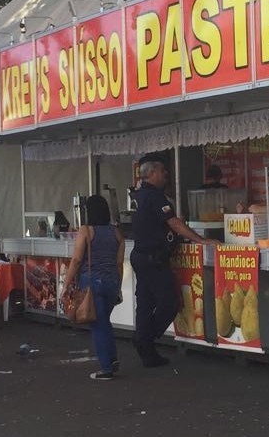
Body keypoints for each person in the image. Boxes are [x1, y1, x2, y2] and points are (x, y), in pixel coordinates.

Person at [130, 153, 216, 368]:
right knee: (170, 303)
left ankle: (147, 350)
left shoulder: (139, 195)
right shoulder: (154, 196)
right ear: (152, 173)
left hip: (141, 256)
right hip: (154, 260)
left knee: (145, 304)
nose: (165, 174)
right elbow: (174, 223)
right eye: (162, 170)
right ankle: (145, 339)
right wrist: (200, 240)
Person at [64, 195, 125, 380]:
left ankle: (106, 368)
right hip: (112, 283)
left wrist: (66, 284)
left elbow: (76, 260)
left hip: (92, 283)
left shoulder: (86, 230)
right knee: (104, 322)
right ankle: (112, 358)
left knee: (98, 326)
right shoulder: (116, 232)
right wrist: (118, 286)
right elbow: (119, 263)